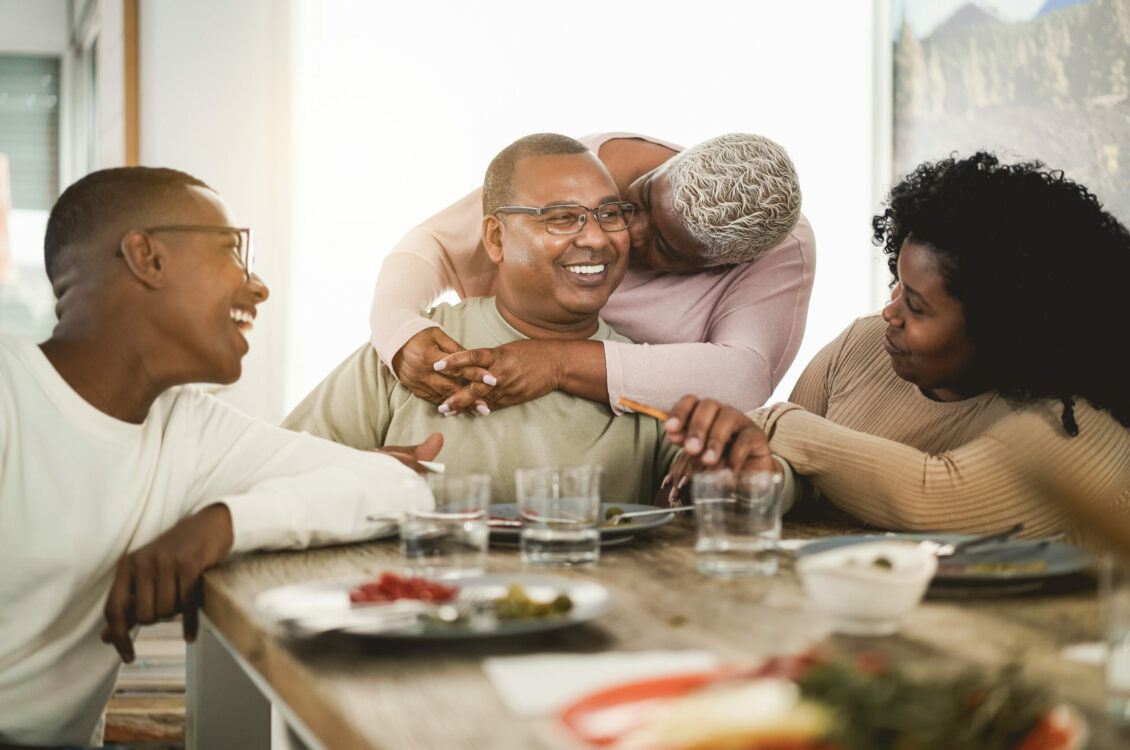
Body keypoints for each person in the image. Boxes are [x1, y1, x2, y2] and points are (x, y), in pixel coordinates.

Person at [0, 167, 439, 748]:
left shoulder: (188, 427)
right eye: (233, 250)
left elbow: (402, 487)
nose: (258, 287)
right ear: (147, 258)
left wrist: (224, 524)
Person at [663, 152, 1130, 544]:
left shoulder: (1079, 419)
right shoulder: (863, 346)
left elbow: (935, 494)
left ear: (1005, 331)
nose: (889, 311)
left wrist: (772, 422)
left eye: (917, 305)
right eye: (897, 285)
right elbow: (804, 476)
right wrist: (763, 477)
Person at [286, 134, 679, 504]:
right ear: (495, 239)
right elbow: (273, 474)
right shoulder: (417, 351)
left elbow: (708, 504)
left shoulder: (648, 377)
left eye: (610, 214)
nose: (596, 239)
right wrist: (358, 475)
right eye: (561, 217)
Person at [373, 131, 815, 417]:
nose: (619, 235)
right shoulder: (593, 167)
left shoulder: (777, 252)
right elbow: (436, 246)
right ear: (664, 164)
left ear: (717, 267)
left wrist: (557, 360)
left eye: (662, 245)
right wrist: (399, 329)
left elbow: (744, 378)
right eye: (636, 200)